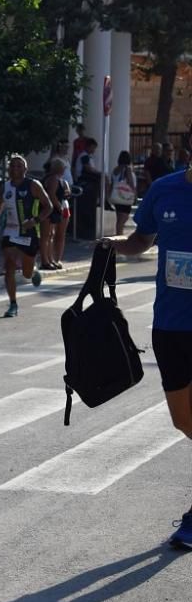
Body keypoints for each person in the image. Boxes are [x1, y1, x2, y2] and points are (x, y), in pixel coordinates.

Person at [102, 165, 192, 549]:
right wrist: (112, 245)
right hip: (171, 324)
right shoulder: (164, 189)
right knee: (183, 421)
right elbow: (142, 240)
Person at [0, 154, 52, 318]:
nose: (15, 169)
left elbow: (48, 207)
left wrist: (35, 220)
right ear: (8, 169)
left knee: (26, 273)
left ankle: (34, 270)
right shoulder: (4, 187)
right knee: (9, 265)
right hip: (10, 231)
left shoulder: (33, 185)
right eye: (12, 166)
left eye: (19, 166)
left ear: (25, 169)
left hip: (28, 232)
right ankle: (13, 304)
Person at [42, 157, 72, 269]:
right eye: (63, 168)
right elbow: (51, 195)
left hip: (55, 209)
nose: (64, 170)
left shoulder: (60, 180)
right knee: (47, 236)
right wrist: (60, 208)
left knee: (52, 235)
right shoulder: (53, 179)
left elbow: (66, 193)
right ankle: (46, 260)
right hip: (51, 209)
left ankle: (52, 259)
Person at [109, 150, 138, 236]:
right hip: (125, 197)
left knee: (119, 219)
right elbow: (131, 182)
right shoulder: (127, 169)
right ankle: (119, 238)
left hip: (117, 197)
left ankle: (119, 236)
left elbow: (112, 182)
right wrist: (135, 193)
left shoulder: (116, 169)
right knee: (122, 220)